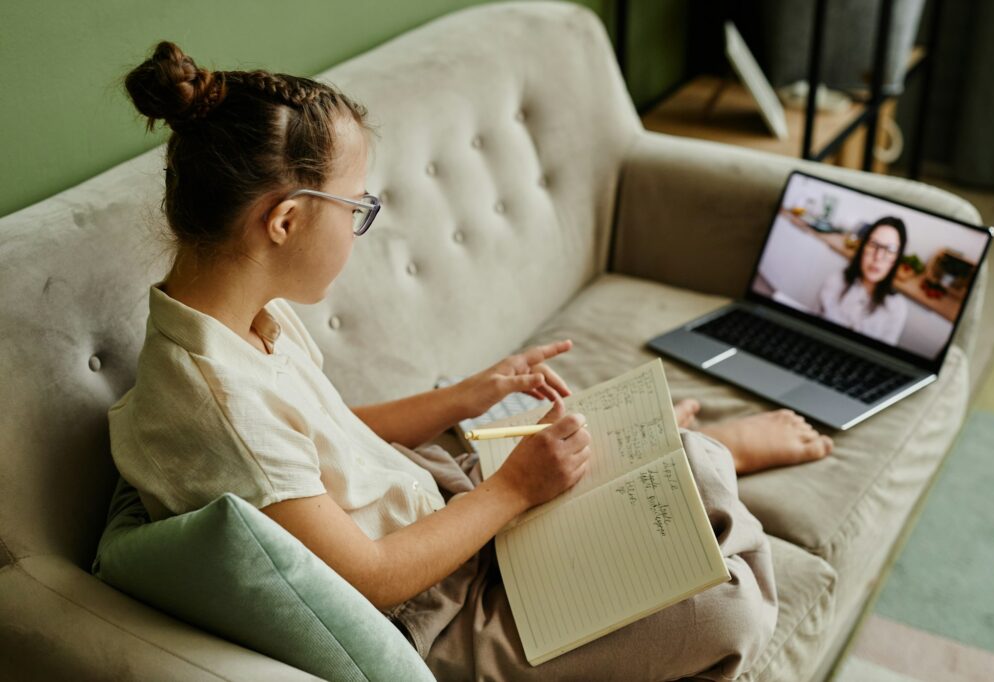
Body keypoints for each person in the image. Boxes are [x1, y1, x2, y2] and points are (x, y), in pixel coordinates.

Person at [108, 42, 835, 681]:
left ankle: (675, 454)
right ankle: (693, 456)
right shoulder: (216, 404)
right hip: (437, 609)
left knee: (633, 449)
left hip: (434, 498)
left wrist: (467, 395)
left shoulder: (248, 319)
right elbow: (374, 579)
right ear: (286, 219)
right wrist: (514, 491)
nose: (361, 230)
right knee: (728, 613)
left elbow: (330, 434)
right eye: (355, 209)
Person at [817, 217, 909, 345]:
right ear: (863, 247)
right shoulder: (835, 281)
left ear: (897, 259)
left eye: (890, 250)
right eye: (873, 244)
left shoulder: (897, 308)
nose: (878, 257)